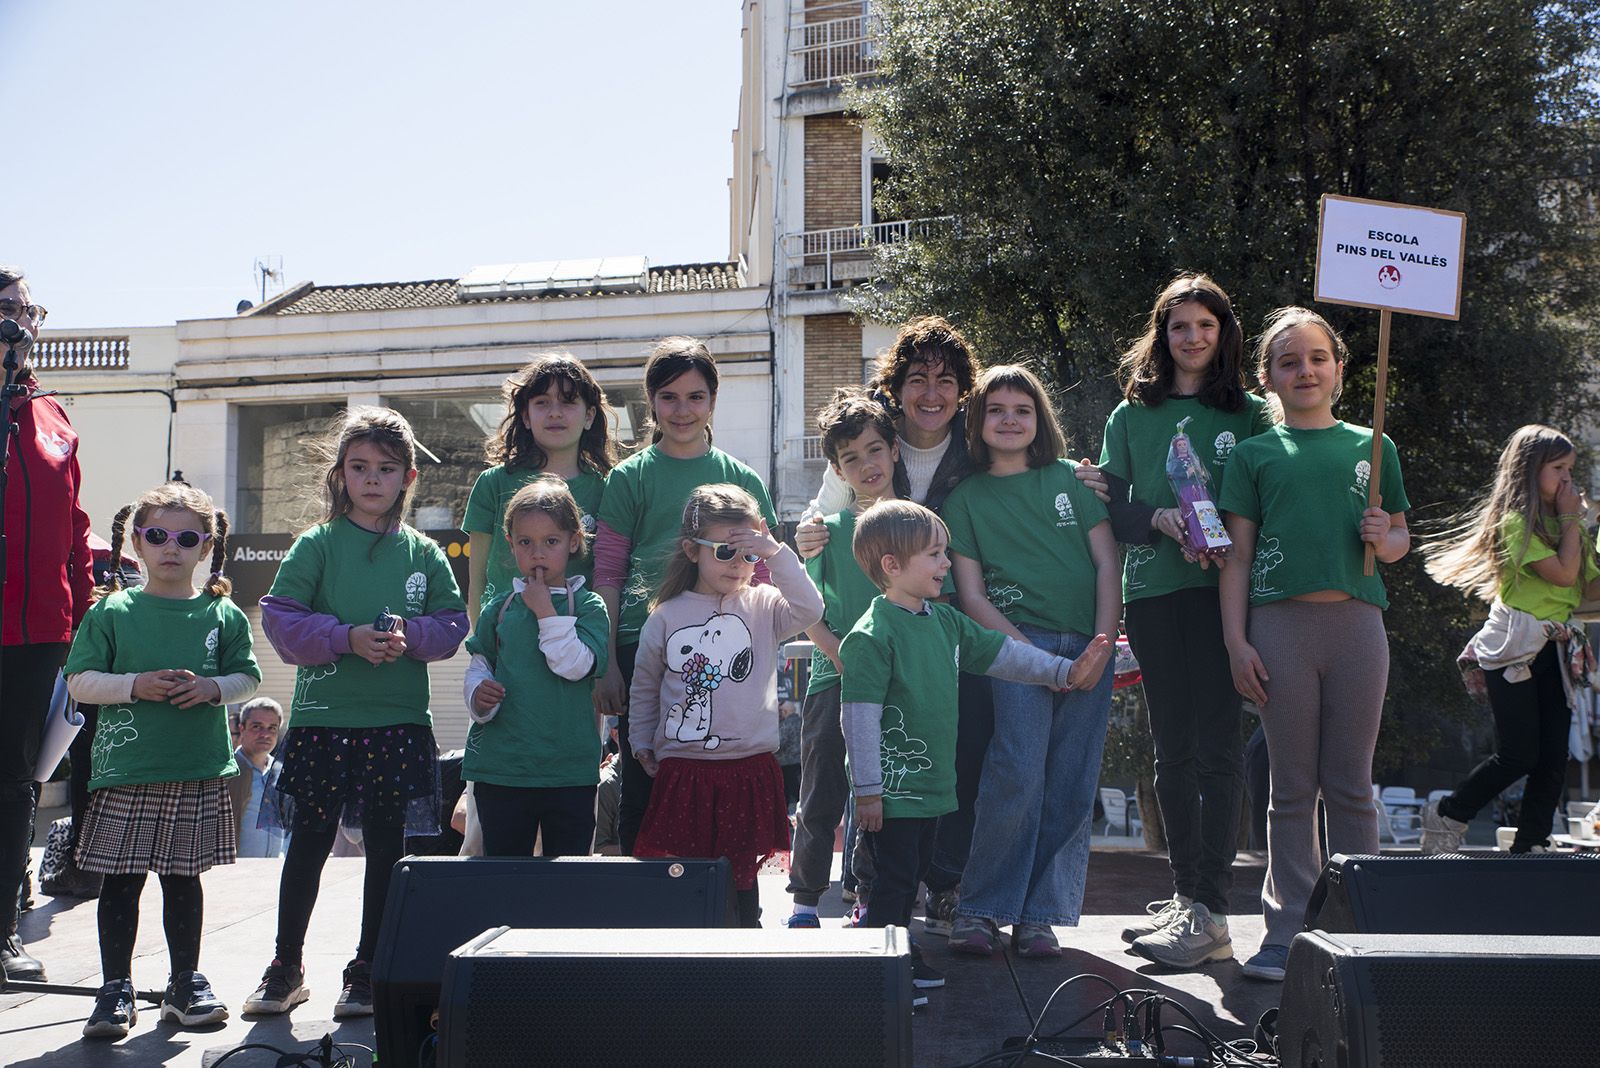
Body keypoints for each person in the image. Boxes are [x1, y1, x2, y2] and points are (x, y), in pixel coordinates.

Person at [841, 500, 1112, 1002]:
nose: (947, 564)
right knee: (893, 884)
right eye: (935, 554)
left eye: (945, 553)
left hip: (931, 791)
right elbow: (857, 717)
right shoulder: (871, 635)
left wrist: (1063, 671)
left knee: (914, 878)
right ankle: (878, 971)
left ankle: (896, 953)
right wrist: (868, 792)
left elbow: (1005, 655)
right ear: (892, 566)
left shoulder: (946, 623)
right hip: (893, 794)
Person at [247, 407, 469, 1018]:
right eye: (360, 467)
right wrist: (347, 637)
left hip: (398, 724)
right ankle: (285, 966)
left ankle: (369, 967)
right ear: (341, 474)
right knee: (309, 844)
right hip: (323, 723)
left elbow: (452, 624)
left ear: (409, 477)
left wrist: (411, 638)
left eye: (386, 469)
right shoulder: (315, 544)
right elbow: (281, 619)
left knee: (385, 849)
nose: (373, 479)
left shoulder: (424, 551)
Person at [1218, 307, 1410, 982]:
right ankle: (1286, 930)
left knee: (1351, 786)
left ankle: (1370, 922)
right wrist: (1237, 643)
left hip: (1357, 628)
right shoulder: (1253, 455)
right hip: (1279, 630)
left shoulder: (1373, 444)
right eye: (1289, 361)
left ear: (1338, 368)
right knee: (1292, 789)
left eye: (1317, 357)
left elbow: (1398, 546)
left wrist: (1385, 531)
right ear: (1267, 376)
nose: (1305, 370)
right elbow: (1235, 559)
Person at [1097, 275, 1273, 968]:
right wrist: (1159, 518)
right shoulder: (1130, 415)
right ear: (1161, 334)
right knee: (1171, 750)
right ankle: (1186, 899)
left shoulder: (1252, 415)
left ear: (1224, 333)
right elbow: (1111, 506)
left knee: (1219, 749)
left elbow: (1269, 496)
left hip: (1224, 600)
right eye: (1179, 326)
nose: (1192, 337)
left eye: (1206, 324)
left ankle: (1214, 907)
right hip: (1154, 595)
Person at [794, 316, 984, 934]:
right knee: (836, 781)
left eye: (945, 380)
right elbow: (809, 583)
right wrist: (838, 648)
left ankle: (920, 894)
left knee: (914, 782)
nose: (931, 392)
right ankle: (830, 898)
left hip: (919, 664)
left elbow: (942, 589)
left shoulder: (967, 458)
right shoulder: (838, 516)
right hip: (842, 670)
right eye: (917, 380)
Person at [65, 483, 261, 1038]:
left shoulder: (223, 614)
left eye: (185, 537)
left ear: (206, 546)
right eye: (156, 535)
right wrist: (135, 685)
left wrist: (212, 688)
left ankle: (184, 983)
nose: (169, 547)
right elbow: (79, 679)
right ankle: (114, 989)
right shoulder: (113, 611)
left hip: (197, 768)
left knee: (183, 882)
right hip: (126, 772)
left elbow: (248, 676)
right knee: (120, 884)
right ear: (138, 542)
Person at [940, 365, 1119, 958]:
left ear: (1040, 418)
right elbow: (971, 596)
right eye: (996, 410)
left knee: (1071, 780)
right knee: (1015, 772)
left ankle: (1041, 915)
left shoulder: (1073, 480)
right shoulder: (965, 497)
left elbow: (1105, 566)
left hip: (1090, 649)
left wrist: (1101, 643)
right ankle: (983, 908)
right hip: (1015, 651)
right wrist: (1031, 656)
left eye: (1022, 409)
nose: (1010, 419)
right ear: (979, 422)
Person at [592, 338, 779, 855]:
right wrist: (608, 662)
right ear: (651, 401)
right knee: (646, 785)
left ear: (713, 402)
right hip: (644, 649)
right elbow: (607, 574)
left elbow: (762, 574)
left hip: (727, 651)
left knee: (724, 795)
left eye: (696, 397)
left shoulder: (742, 479)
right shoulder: (629, 477)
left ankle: (730, 913)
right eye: (669, 397)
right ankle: (645, 917)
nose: (682, 409)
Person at [628, 484, 823, 927]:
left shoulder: (766, 605)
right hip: (683, 770)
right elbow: (644, 688)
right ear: (691, 550)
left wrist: (775, 553)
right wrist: (641, 741)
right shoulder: (665, 615)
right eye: (724, 551)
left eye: (748, 554)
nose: (738, 565)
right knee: (682, 883)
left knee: (742, 890)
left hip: (749, 768)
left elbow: (811, 607)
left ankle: (743, 967)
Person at [1420, 425, 1600, 853]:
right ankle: (1448, 812)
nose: (1567, 480)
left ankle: (1532, 841)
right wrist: (1575, 520)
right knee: (1520, 753)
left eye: (1570, 470)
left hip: (1556, 650)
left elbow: (1589, 589)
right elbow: (1563, 574)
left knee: (1555, 756)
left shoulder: (1569, 528)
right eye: (1558, 469)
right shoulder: (1515, 523)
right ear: (1529, 470)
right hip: (1513, 649)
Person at [0, 265, 94, 982]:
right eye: (8, 310)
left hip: (40, 635)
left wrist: (86, 627)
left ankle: (3, 928)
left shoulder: (52, 415)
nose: (22, 323)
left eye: (29, 311)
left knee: (16, 784)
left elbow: (74, 529)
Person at [786, 390, 902, 928]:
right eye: (850, 458)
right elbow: (804, 606)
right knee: (820, 793)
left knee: (882, 798)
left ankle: (870, 901)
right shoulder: (825, 534)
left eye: (874, 450)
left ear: (895, 451)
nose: (866, 465)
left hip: (898, 684)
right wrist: (840, 656)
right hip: (833, 678)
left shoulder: (919, 524)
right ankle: (805, 900)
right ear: (837, 469)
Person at [463, 478, 610, 857]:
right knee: (503, 877)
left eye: (551, 541)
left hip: (569, 772)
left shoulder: (589, 607)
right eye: (525, 542)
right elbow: (481, 665)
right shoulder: (499, 607)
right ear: (510, 546)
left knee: (566, 885)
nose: (538, 552)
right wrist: (479, 696)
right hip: (503, 771)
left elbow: (576, 667)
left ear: (574, 542)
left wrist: (545, 610)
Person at [463, 353, 617, 622]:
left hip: (579, 646)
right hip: (505, 646)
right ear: (525, 415)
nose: (555, 412)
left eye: (568, 402)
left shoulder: (610, 489)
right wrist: (484, 647)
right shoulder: (492, 483)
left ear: (589, 415)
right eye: (542, 402)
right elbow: (476, 583)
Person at [228, 697, 289, 859]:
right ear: (242, 728)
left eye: (272, 728)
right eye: (257, 727)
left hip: (272, 871)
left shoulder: (280, 772)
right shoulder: (229, 773)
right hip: (236, 873)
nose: (265, 734)